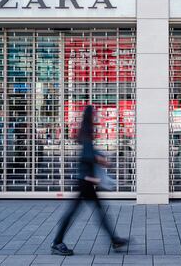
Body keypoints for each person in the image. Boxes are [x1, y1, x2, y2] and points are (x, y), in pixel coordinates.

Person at [51, 105, 128, 256]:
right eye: (94, 114)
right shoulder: (86, 134)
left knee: (98, 211)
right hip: (85, 181)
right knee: (73, 212)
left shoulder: (87, 133)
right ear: (89, 117)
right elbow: (88, 156)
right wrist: (102, 162)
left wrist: (100, 159)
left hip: (87, 182)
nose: (96, 117)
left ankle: (114, 239)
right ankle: (57, 242)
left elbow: (90, 153)